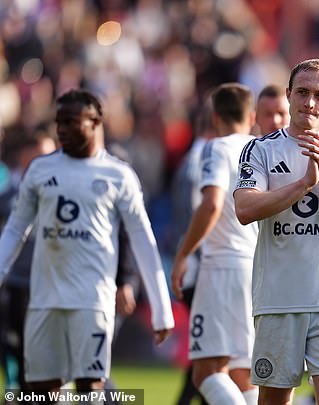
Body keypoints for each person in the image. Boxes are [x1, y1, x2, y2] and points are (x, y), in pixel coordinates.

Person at [0, 89, 174, 402]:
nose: (63, 129)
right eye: (59, 122)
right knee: (39, 391)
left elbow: (143, 241)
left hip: (92, 302)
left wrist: (162, 309)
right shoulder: (40, 170)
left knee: (90, 387)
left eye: (72, 121)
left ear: (96, 122)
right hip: (44, 301)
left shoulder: (118, 176)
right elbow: (15, 230)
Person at [233, 58, 319, 405]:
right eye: (302, 92)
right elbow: (245, 209)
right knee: (275, 400)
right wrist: (302, 185)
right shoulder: (260, 150)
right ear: (289, 95)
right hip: (279, 299)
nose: (309, 103)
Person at [170, 83, 259, 405]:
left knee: (205, 373)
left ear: (216, 117)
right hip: (256, 268)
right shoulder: (261, 148)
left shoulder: (216, 148)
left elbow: (211, 204)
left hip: (222, 266)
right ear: (251, 116)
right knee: (241, 371)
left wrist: (183, 254)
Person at [0, 127, 57, 402]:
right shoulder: (9, 194)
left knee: (54, 358)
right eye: (38, 155)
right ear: (24, 157)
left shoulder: (61, 193)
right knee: (18, 351)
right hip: (18, 285)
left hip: (51, 284)